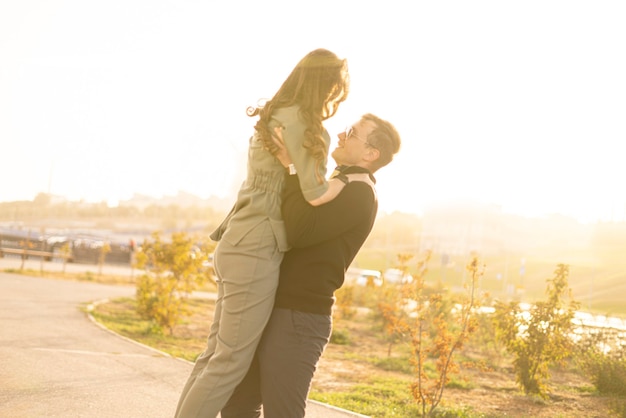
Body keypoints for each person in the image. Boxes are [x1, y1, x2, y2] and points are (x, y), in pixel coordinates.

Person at [174, 49, 350, 418]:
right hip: (256, 247)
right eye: (336, 89)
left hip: (238, 238)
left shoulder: (277, 111)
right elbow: (316, 194)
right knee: (229, 364)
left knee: (214, 357)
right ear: (327, 86)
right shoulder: (305, 123)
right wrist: (345, 182)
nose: (336, 97)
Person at [221, 113, 402, 417]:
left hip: (299, 318)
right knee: (238, 405)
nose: (342, 135)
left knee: (283, 411)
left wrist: (292, 166)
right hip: (278, 307)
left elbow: (300, 230)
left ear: (371, 154)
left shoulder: (359, 192)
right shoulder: (339, 182)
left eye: (352, 133)